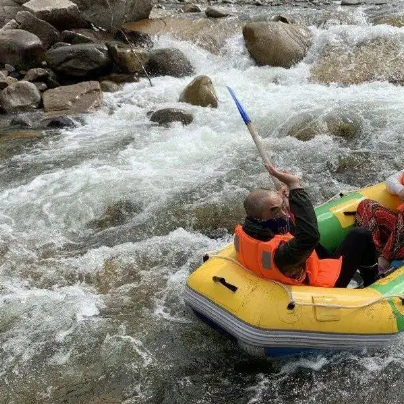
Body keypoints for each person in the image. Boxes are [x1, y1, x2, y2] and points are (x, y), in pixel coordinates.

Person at [234, 164, 378, 288]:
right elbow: (310, 236)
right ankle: (372, 282)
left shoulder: (253, 228)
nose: (285, 213)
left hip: (292, 271)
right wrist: (295, 185)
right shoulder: (283, 254)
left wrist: (283, 199)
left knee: (302, 235)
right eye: (279, 209)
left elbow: (287, 226)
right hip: (321, 286)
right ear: (270, 211)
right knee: (360, 235)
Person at [355, 169, 404, 273]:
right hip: (400, 230)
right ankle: (372, 254)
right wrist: (401, 191)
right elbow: (391, 180)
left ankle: (384, 262)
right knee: (367, 205)